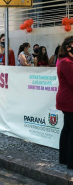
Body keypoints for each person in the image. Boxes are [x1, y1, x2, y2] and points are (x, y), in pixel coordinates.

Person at [56, 36, 73, 169]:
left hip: (67, 99)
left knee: (67, 128)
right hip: (69, 100)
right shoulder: (67, 62)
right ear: (68, 47)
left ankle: (64, 158)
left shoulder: (68, 60)